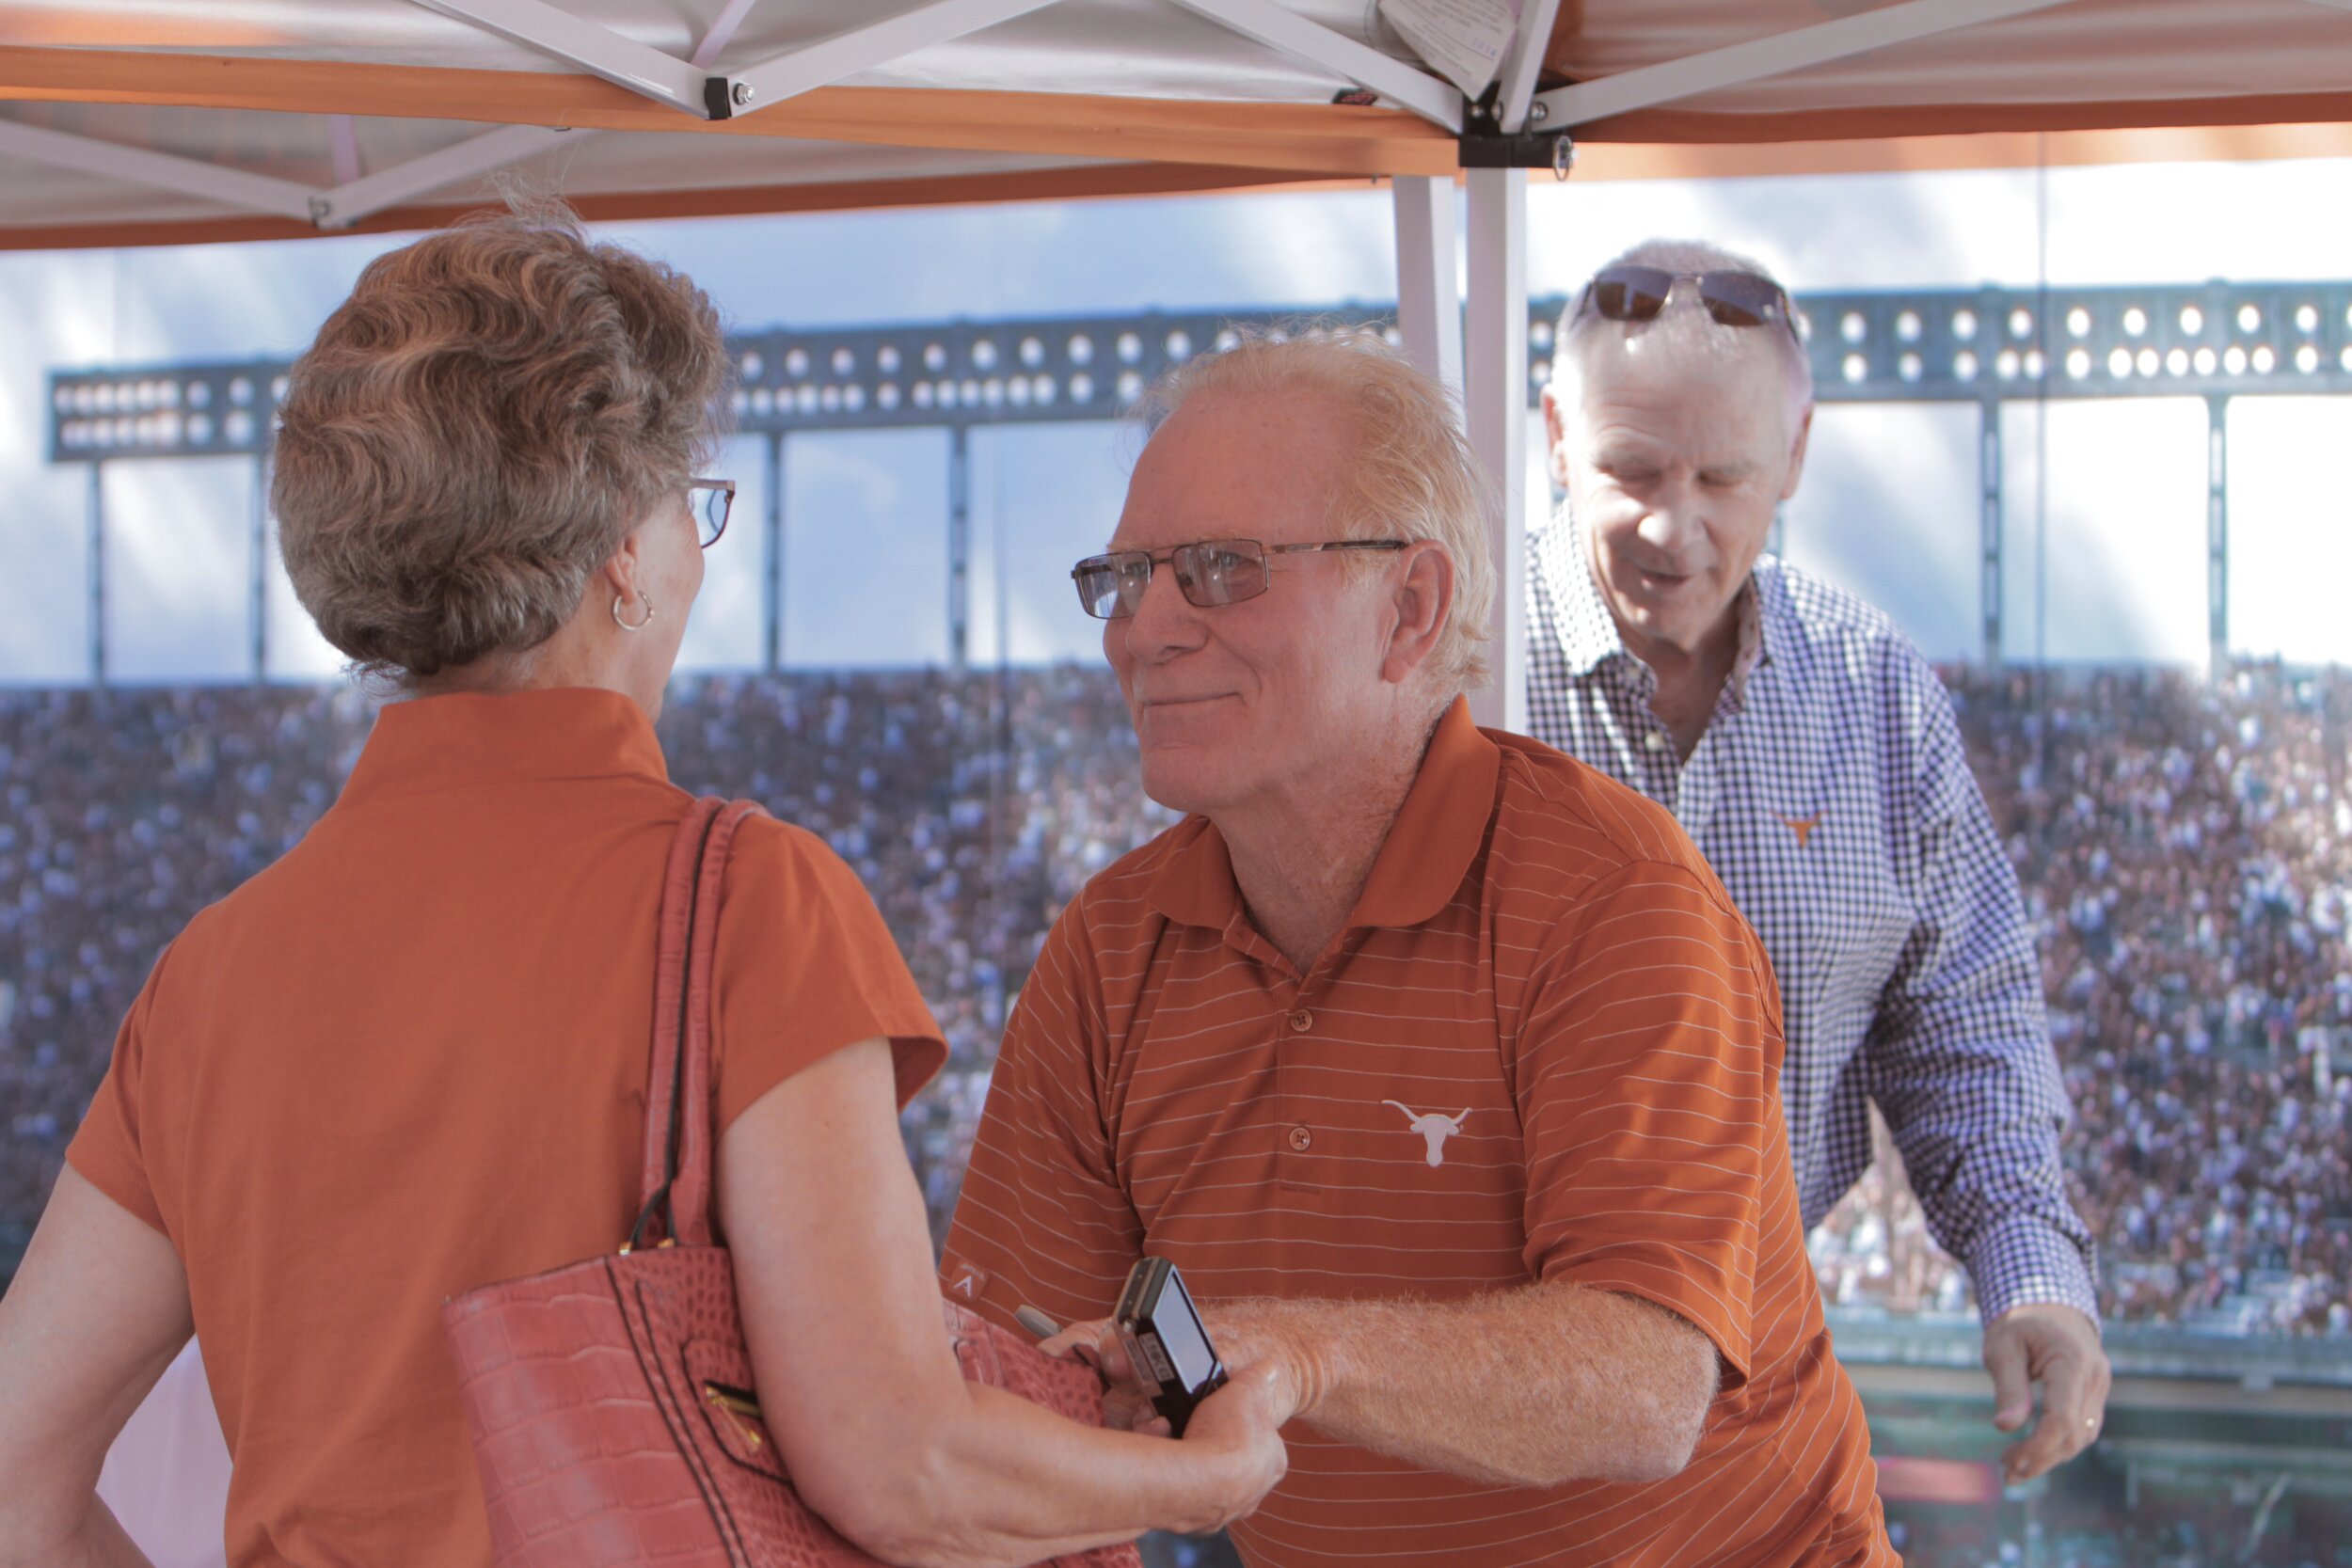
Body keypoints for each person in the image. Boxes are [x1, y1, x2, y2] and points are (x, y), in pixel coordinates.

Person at [0, 211, 1285, 1568]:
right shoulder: (747, 899)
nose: (696, 552)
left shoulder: (210, 973)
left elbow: (16, 1474)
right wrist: (1206, 1480)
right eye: (692, 506)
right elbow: (902, 1467)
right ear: (621, 541)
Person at [941, 331, 1898, 1567]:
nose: (1143, 630)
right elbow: (1017, 1388)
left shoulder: (1615, 899)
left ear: (1411, 608)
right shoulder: (1110, 952)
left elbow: (1647, 1383)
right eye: (1123, 577)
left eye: (1222, 569)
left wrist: (1303, 1353)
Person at [1528, 238, 2110, 1483]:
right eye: (1631, 468)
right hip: (1482, 1403)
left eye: (1723, 477)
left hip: (1760, 1392)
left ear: (1793, 460)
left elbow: (1965, 1026)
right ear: (1555, 435)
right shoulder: (1449, 669)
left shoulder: (1877, 691)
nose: (1671, 528)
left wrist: (2034, 1273)